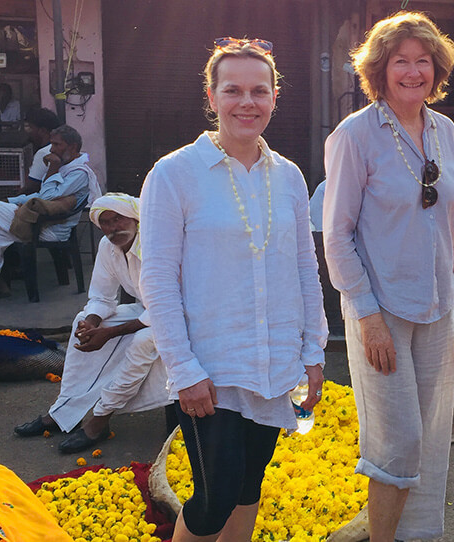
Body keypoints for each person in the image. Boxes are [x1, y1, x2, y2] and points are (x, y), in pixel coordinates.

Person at [139, 37, 327, 542]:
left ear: (273, 97)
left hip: (272, 361)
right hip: (210, 367)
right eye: (234, 90)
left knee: (248, 484)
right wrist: (183, 368)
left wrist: (313, 349)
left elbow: (305, 270)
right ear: (212, 95)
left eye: (259, 91)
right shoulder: (174, 174)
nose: (248, 102)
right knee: (215, 496)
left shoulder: (288, 176)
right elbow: (155, 279)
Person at [323, 12, 454, 541]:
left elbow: (453, 223)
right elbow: (337, 236)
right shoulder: (355, 136)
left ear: (437, 69)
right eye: (401, 61)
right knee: (396, 443)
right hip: (382, 311)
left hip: (438, 308)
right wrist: (366, 317)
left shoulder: (446, 132)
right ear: (380, 69)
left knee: (433, 438)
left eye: (423, 61)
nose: (413, 72)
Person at [13, 193, 170, 453]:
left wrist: (109, 333)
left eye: (117, 219)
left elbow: (166, 308)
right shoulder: (109, 247)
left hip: (183, 317)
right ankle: (63, 412)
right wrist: (92, 324)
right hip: (148, 311)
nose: (112, 228)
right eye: (105, 223)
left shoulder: (159, 245)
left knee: (142, 342)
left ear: (135, 217)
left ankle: (100, 420)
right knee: (79, 323)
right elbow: (101, 296)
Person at [0, 124, 95, 293]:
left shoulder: (79, 173)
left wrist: (52, 168)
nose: (51, 150)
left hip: (49, 227)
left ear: (73, 147)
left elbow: (46, 198)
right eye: (51, 144)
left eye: (57, 145)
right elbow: (39, 196)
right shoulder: (66, 166)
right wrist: (10, 200)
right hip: (36, 219)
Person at [21, 107, 62, 194]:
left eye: (30, 127)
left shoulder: (43, 153)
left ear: (43, 131)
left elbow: (31, 188)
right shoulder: (63, 147)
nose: (27, 131)